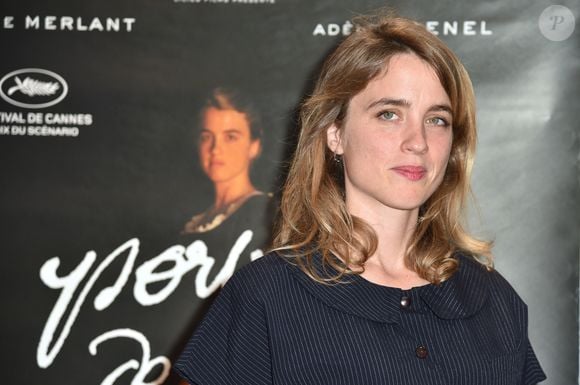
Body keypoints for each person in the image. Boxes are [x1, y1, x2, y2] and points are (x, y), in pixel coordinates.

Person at [174, 14, 546, 385]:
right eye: (389, 114)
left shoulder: (491, 298)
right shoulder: (267, 297)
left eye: (437, 120)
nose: (417, 141)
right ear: (335, 133)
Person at [179, 87, 274, 284]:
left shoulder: (266, 212)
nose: (215, 149)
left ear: (254, 145)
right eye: (207, 136)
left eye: (230, 137)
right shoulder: (192, 220)